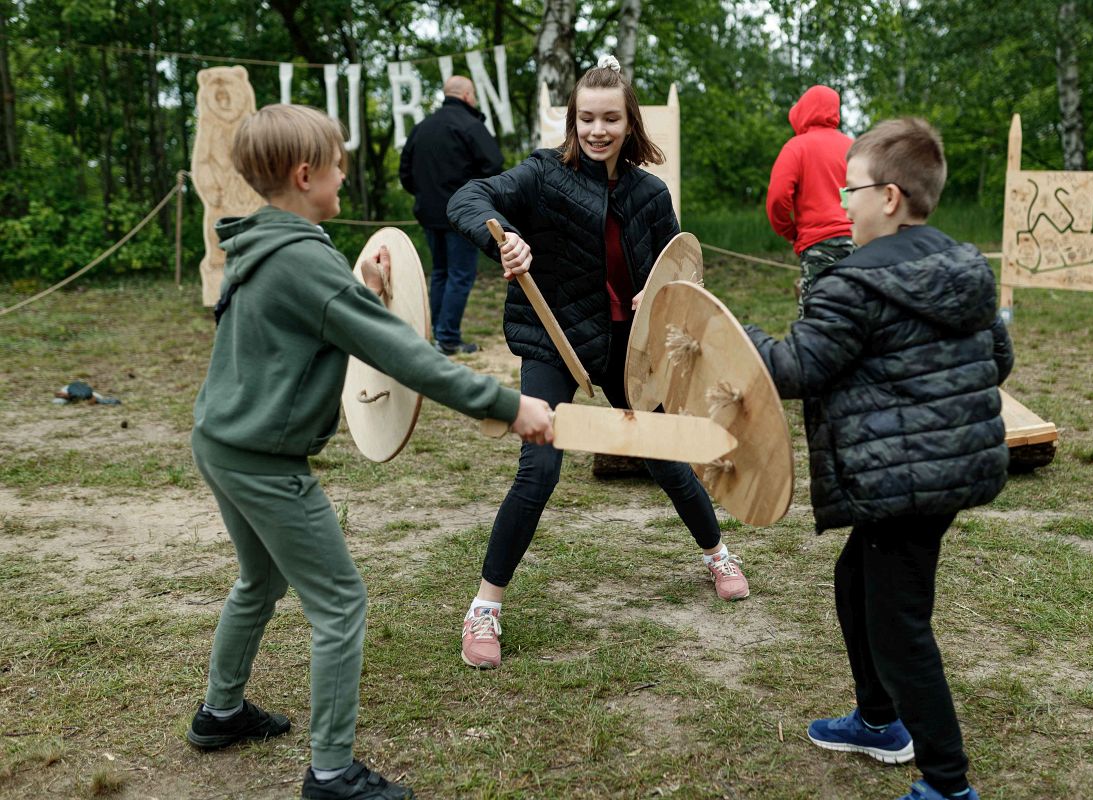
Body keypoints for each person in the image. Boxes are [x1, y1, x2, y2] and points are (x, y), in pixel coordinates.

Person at [186, 103, 553, 800]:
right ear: (305, 175)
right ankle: (330, 773)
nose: (343, 176)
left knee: (259, 582)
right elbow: (405, 356)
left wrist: (367, 291)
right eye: (337, 165)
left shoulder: (262, 242)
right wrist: (507, 406)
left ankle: (220, 712)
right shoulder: (303, 259)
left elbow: (317, 313)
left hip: (220, 442)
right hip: (264, 459)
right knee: (340, 603)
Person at [446, 55, 750, 671]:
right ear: (572, 120)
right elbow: (467, 197)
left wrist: (656, 299)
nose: (597, 130)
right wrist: (503, 234)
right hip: (553, 342)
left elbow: (678, 271)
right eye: (587, 117)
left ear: (628, 121)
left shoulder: (650, 194)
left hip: (625, 348)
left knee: (666, 457)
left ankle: (717, 551)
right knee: (539, 470)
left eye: (610, 118)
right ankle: (485, 607)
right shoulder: (541, 175)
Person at [744, 117, 1013, 800]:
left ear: (889, 197)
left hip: (904, 480)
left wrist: (727, 328)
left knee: (898, 625)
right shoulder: (963, 265)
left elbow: (797, 365)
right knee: (855, 581)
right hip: (942, 473)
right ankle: (878, 719)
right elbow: (999, 358)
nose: (842, 203)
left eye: (850, 189)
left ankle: (947, 785)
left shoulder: (852, 283)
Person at [401, 76, 504, 355]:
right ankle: (446, 338)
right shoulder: (470, 125)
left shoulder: (421, 128)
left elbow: (405, 173)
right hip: (462, 215)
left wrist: (425, 195)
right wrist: (477, 196)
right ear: (468, 95)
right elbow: (494, 163)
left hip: (429, 213)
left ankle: (436, 334)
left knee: (441, 273)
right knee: (459, 275)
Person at [764, 84, 856, 317]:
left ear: (803, 111)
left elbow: (777, 197)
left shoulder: (796, 147)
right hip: (858, 241)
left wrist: (790, 232)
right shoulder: (853, 147)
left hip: (818, 246)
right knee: (855, 309)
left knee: (817, 315)